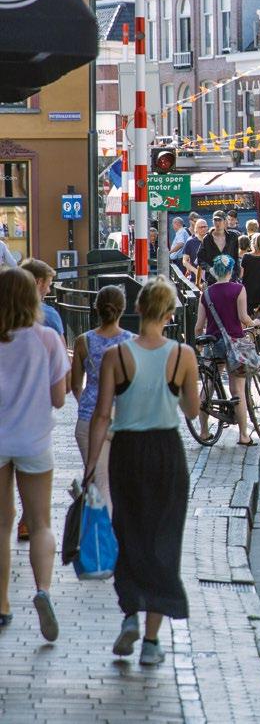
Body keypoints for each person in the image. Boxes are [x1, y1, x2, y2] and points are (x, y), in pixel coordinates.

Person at [86, 277, 200, 664]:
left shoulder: (116, 357)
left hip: (127, 453)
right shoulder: (182, 355)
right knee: (163, 539)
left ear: (138, 309)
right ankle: (151, 642)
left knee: (129, 533)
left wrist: (90, 467)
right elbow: (192, 410)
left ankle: (130, 615)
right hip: (166, 452)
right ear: (169, 314)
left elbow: (102, 415)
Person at [0, 268, 69, 640]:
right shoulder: (46, 339)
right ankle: (42, 590)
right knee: (40, 522)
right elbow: (59, 397)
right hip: (34, 438)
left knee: (1, 523)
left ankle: (1, 604)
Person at [71, 285, 132, 507]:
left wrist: (86, 403)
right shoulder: (132, 342)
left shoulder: (82, 341)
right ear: (122, 309)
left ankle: (97, 532)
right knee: (115, 485)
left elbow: (76, 385)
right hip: (122, 420)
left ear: (97, 309)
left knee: (98, 482)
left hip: (89, 419)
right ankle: (108, 536)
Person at [194, 254, 260, 445]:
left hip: (213, 343)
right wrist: (254, 322)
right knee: (237, 389)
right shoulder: (238, 289)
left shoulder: (206, 293)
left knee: (207, 386)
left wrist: (199, 344)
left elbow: (199, 326)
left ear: (214, 272)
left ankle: (204, 432)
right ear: (231, 270)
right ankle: (243, 435)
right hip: (234, 344)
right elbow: (243, 317)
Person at [198, 210, 240, 283]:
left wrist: (235, 273)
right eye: (215, 220)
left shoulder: (233, 237)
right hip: (213, 280)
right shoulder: (207, 238)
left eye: (219, 220)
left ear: (225, 221)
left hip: (230, 279)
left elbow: (236, 257)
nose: (217, 222)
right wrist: (211, 270)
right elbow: (200, 259)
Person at [182, 218, 207, 283]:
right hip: (195, 279)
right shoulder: (190, 242)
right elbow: (184, 261)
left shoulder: (212, 240)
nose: (203, 229)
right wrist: (195, 271)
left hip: (210, 279)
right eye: (201, 227)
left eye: (205, 227)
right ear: (196, 229)